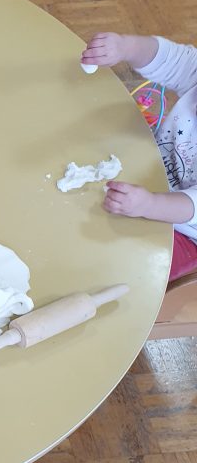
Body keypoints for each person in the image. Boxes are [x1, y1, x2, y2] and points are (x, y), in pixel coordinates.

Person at [81, 31, 197, 280]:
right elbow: (168, 58)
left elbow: (192, 206)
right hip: (150, 168)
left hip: (184, 231)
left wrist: (149, 205)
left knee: (133, 271)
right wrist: (125, 47)